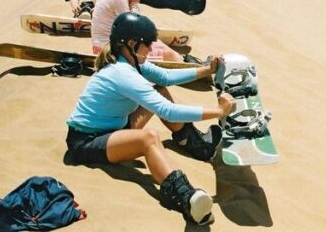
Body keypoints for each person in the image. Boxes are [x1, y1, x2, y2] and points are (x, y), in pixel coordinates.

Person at [65, 12, 236, 225]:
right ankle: (187, 198)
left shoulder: (132, 62)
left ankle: (193, 142)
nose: (151, 49)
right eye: (147, 44)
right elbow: (168, 111)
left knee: (160, 89)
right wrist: (218, 112)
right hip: (85, 142)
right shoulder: (122, 73)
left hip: (114, 127)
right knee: (149, 139)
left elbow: (165, 77)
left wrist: (206, 70)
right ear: (131, 44)